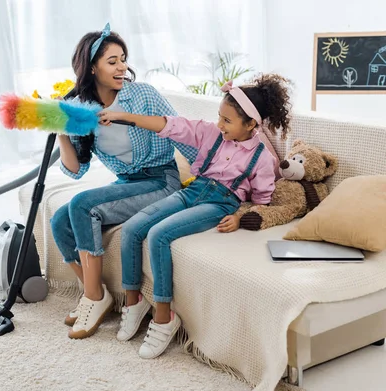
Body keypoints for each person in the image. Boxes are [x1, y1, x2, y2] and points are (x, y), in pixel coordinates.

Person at [98, 74, 292, 358]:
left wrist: (240, 217)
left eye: (227, 120)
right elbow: (170, 125)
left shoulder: (262, 158)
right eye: (219, 117)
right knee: (132, 228)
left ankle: (164, 317)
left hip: (220, 203)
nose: (220, 125)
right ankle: (133, 301)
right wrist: (123, 116)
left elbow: (262, 200)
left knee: (159, 235)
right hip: (193, 190)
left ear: (251, 124)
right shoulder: (211, 133)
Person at [51, 23, 197, 340]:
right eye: (112, 61)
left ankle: (93, 298)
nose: (122, 67)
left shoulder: (141, 95)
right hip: (128, 181)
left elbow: (180, 132)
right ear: (92, 68)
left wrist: (218, 177)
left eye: (123, 59)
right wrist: (62, 132)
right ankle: (94, 291)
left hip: (162, 180)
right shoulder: (80, 109)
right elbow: (76, 170)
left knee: (82, 205)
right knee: (60, 220)